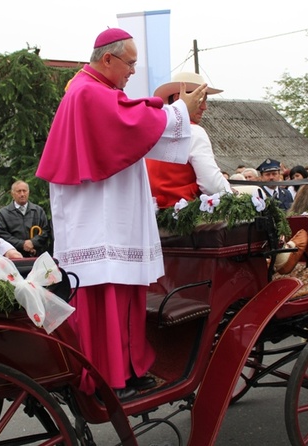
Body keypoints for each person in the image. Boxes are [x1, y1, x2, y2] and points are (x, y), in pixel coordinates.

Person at [36, 27, 207, 399]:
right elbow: (134, 123)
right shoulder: (87, 91)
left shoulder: (98, 92)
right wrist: (181, 111)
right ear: (108, 59)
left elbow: (138, 123)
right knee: (107, 298)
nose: (132, 70)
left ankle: (129, 369)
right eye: (129, 63)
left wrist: (176, 114)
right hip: (99, 223)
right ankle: (109, 378)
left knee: (123, 295)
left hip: (109, 218)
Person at [146, 72, 231, 209]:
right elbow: (212, 185)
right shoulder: (194, 131)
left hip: (153, 216)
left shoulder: (152, 130)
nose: (205, 107)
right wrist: (229, 192)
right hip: (186, 218)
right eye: (200, 99)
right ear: (179, 97)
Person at [0, 180, 51, 257]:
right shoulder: (3, 213)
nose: (22, 194)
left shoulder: (38, 211)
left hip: (37, 255)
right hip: (14, 256)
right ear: (12, 194)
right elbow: (2, 235)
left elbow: (46, 230)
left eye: (24, 191)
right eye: (19, 191)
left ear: (28, 192)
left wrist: (33, 243)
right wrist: (22, 244)